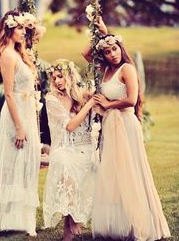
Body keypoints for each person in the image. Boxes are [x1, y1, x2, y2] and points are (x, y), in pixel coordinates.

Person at [83, 31, 171, 240]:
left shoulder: (127, 69)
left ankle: (139, 222)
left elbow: (131, 99)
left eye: (114, 49)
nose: (112, 54)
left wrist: (108, 104)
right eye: (106, 51)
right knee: (114, 171)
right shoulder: (104, 70)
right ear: (102, 55)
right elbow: (86, 53)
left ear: (121, 48)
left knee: (130, 169)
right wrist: (99, 31)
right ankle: (118, 223)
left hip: (126, 124)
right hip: (111, 125)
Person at [0, 10, 43, 236]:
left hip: (27, 108)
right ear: (9, 29)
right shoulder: (7, 54)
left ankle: (23, 219)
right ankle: (4, 218)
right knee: (14, 160)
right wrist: (19, 126)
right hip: (16, 111)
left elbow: (40, 32)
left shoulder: (20, 52)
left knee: (28, 161)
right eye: (19, 28)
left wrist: (28, 23)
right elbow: (8, 94)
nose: (24, 32)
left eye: (24, 29)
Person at [43, 59, 97, 241]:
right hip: (63, 147)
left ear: (69, 76)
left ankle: (68, 234)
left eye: (60, 76)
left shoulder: (80, 95)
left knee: (77, 164)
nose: (57, 81)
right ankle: (74, 216)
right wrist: (89, 105)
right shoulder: (51, 99)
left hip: (84, 147)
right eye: (54, 77)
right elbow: (70, 126)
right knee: (65, 163)